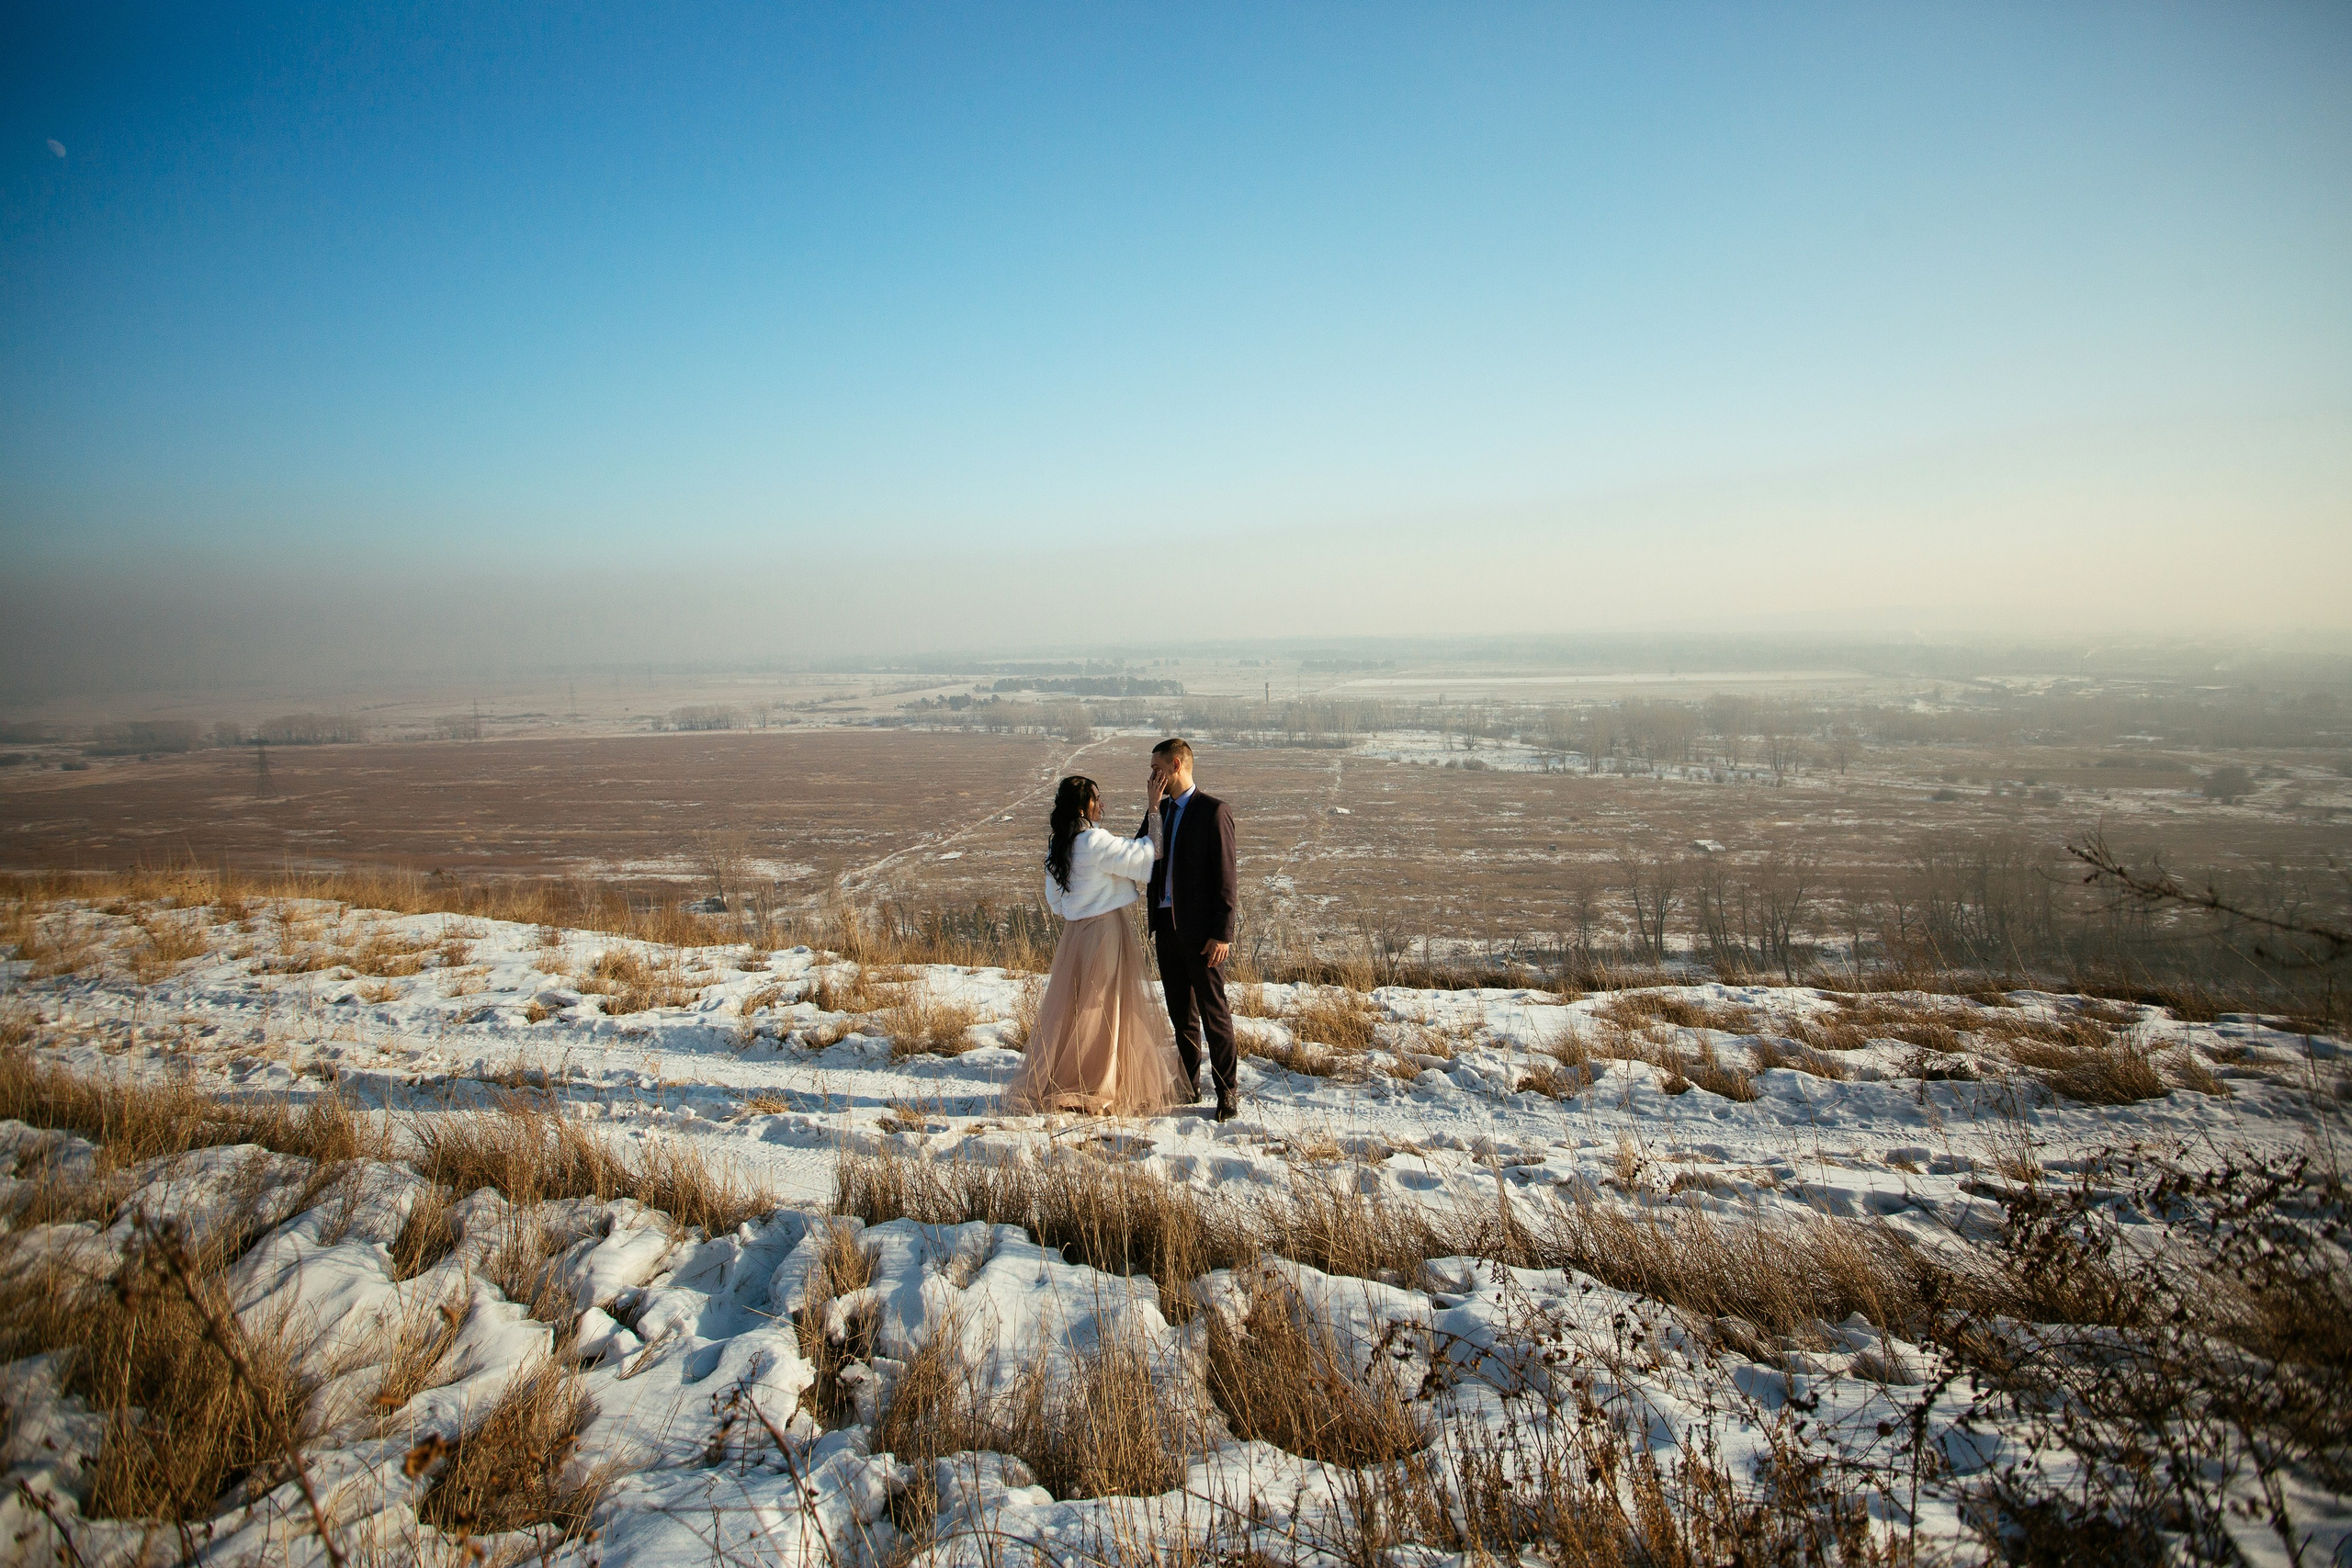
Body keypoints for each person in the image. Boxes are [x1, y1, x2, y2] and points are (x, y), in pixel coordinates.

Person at [1003, 774, 1191, 1116]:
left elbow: (1055, 902)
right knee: (1105, 1008)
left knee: (1078, 1009)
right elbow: (1148, 856)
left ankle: (1072, 1075)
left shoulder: (1060, 845)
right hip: (1104, 931)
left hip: (1075, 935)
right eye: (1096, 799)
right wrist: (1153, 809)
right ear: (1082, 807)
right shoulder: (1094, 841)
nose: (1102, 804)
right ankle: (1097, 1083)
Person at [1141, 738, 1241, 1121]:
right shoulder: (1159, 810)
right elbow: (1144, 854)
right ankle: (1189, 1084)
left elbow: (1226, 877)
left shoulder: (1213, 811)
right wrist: (1152, 810)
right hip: (1166, 928)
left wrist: (1223, 933)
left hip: (1203, 934)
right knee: (1180, 1013)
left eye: (1157, 769)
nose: (1152, 777)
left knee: (1214, 1014)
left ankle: (1227, 1092)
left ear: (1177, 765)